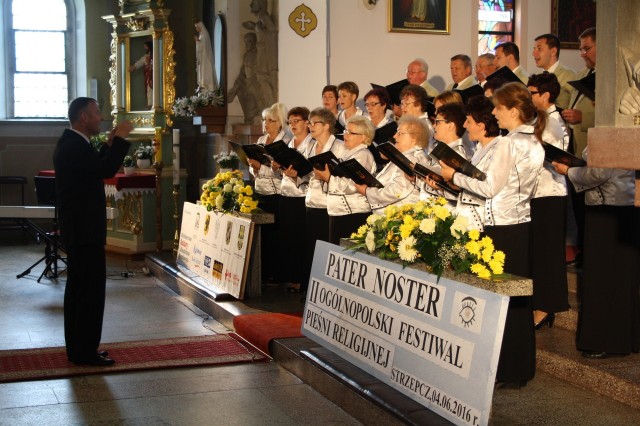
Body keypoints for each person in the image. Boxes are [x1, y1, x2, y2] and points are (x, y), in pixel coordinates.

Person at [439, 86, 546, 387]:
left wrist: (454, 177)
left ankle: (511, 369)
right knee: (514, 301)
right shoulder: (531, 139)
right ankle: (514, 368)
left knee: (505, 301)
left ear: (513, 110)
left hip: (502, 226)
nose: (495, 113)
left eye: (498, 107)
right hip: (517, 223)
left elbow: (490, 188)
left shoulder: (508, 143)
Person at [53, 97, 132, 366]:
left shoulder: (74, 143)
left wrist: (108, 145)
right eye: (97, 113)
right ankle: (84, 351)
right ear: (84, 117)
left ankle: (80, 348)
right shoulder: (73, 145)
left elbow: (92, 170)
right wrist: (120, 139)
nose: (101, 118)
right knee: (88, 292)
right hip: (83, 230)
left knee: (81, 289)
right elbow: (105, 170)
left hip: (81, 229)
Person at [552, 153, 639, 359]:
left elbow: (600, 172)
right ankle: (626, 338)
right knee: (620, 276)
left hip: (608, 208)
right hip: (622, 206)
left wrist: (569, 171)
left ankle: (609, 341)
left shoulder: (612, 134)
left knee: (604, 275)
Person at [527, 73, 570, 329]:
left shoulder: (554, 122)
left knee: (548, 253)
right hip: (536, 193)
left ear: (545, 95)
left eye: (532, 92)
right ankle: (539, 303)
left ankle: (546, 306)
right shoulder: (538, 119)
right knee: (538, 252)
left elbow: (557, 157)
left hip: (550, 192)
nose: (528, 97)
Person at [561, 27, 597, 266]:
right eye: (581, 49)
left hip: (593, 148)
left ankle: (590, 253)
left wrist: (583, 118)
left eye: (587, 48)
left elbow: (614, 117)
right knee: (578, 207)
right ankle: (583, 250)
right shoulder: (584, 73)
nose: (582, 53)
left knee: (588, 207)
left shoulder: (610, 74)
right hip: (576, 148)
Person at [302, 108, 346, 293]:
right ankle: (311, 289)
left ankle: (325, 290)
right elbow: (307, 173)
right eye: (310, 123)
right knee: (311, 247)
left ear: (327, 125)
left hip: (328, 205)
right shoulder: (310, 145)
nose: (310, 126)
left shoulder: (339, 146)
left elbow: (343, 176)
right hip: (311, 201)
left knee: (326, 250)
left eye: (315, 123)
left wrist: (328, 177)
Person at [314, 115, 375, 245]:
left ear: (363, 137)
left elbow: (353, 184)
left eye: (351, 132)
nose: (345, 135)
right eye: (345, 131)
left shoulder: (363, 155)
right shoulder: (347, 153)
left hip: (352, 214)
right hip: (338, 212)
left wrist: (328, 178)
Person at [248, 103, 291, 284]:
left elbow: (282, 173)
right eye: (264, 120)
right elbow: (254, 169)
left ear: (280, 123)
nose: (266, 124)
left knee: (275, 235)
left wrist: (261, 167)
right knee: (262, 235)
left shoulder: (285, 142)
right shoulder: (261, 140)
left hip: (276, 193)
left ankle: (275, 273)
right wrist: (254, 168)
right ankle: (263, 272)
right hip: (260, 192)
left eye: (271, 120)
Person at [356, 115, 429, 211]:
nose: (394, 136)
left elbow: (396, 191)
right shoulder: (405, 156)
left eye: (400, 133)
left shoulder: (411, 159)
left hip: (399, 216)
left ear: (413, 138)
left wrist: (367, 192)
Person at [276, 106, 313, 293]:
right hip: (286, 194)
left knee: (300, 239)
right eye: (290, 122)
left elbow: (311, 173)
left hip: (301, 196)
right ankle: (290, 276)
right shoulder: (289, 144)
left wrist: (296, 175)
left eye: (296, 121)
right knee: (288, 237)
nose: (292, 125)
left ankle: (300, 279)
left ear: (307, 122)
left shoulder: (312, 144)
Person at [422, 103, 472, 206]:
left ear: (450, 126)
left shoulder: (457, 154)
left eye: (438, 122)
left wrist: (441, 188)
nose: (434, 126)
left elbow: (462, 193)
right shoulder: (442, 150)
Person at [532, 33, 578, 109]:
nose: (533, 54)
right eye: (534, 49)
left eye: (539, 49)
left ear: (553, 51)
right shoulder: (537, 77)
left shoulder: (569, 76)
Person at [228, 33, 263, 124]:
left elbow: (260, 69)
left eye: (249, 42)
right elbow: (243, 70)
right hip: (247, 81)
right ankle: (249, 119)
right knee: (242, 95)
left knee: (256, 100)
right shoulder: (246, 55)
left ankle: (259, 115)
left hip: (255, 81)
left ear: (254, 42)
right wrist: (237, 83)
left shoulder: (258, 55)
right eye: (246, 42)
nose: (247, 44)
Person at [363, 87, 396, 171]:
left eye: (373, 104)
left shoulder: (393, 127)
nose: (369, 108)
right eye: (367, 104)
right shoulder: (363, 126)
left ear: (383, 105)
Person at [128, 40, 152, 109]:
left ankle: (154, 103)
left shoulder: (155, 55)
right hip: (148, 74)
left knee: (153, 88)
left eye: (146, 46)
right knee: (148, 88)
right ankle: (150, 103)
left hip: (154, 75)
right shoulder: (146, 56)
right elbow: (140, 62)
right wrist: (134, 67)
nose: (145, 48)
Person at [194, 21, 215, 91]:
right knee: (201, 72)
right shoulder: (201, 35)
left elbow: (204, 47)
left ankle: (207, 86)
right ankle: (203, 86)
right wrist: (198, 41)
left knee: (205, 71)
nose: (196, 29)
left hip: (205, 56)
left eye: (197, 27)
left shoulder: (204, 35)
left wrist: (198, 42)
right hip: (201, 57)